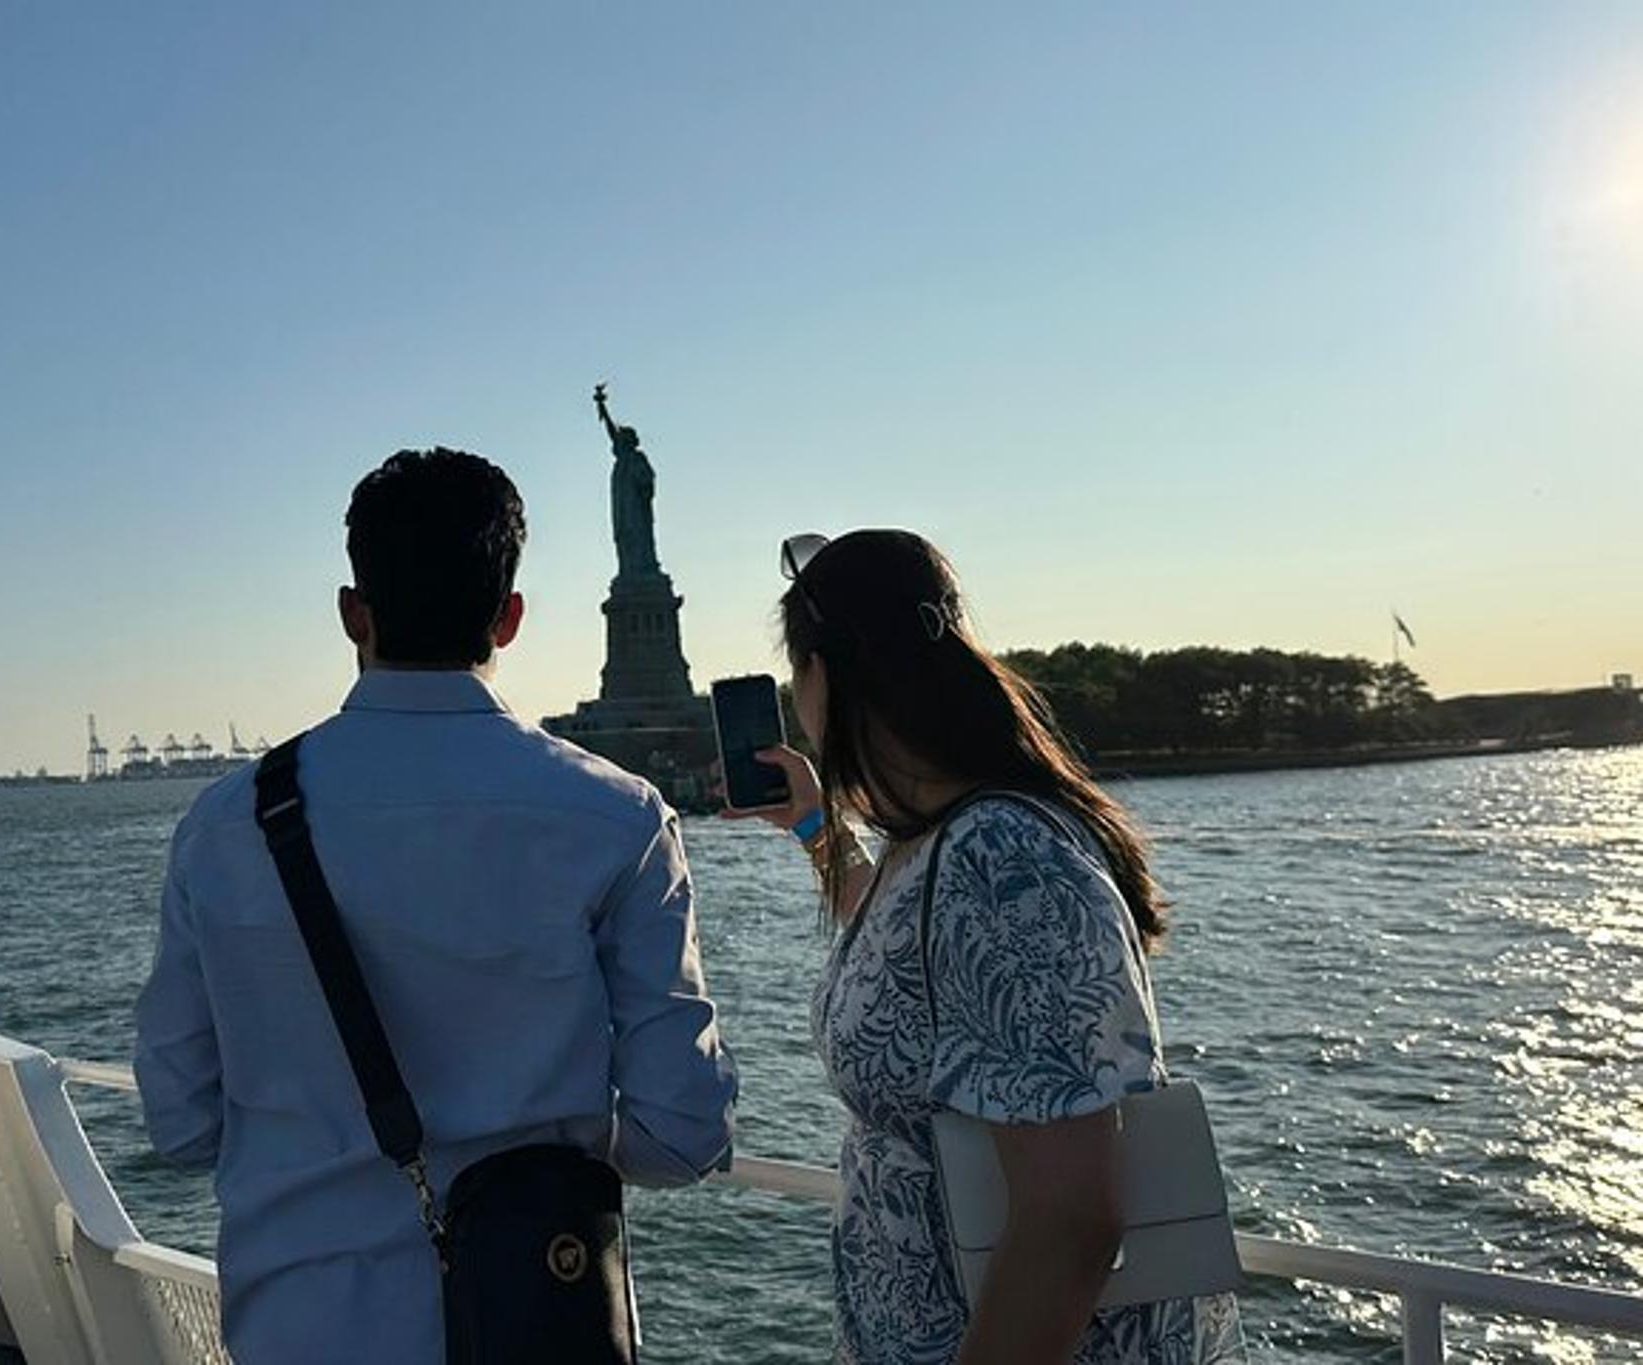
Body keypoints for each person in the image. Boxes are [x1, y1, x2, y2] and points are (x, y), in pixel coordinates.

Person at [135, 447, 739, 1364]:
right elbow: (684, 1133)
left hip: (297, 1332)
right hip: (538, 1325)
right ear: (511, 616)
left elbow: (179, 1119)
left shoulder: (227, 827)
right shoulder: (615, 818)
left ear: (352, 613)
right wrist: (546, 1127)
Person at [732, 530, 1245, 1364]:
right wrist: (815, 829)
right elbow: (913, 961)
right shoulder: (940, 843)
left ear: (822, 675)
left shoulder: (999, 857)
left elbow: (1070, 1220)